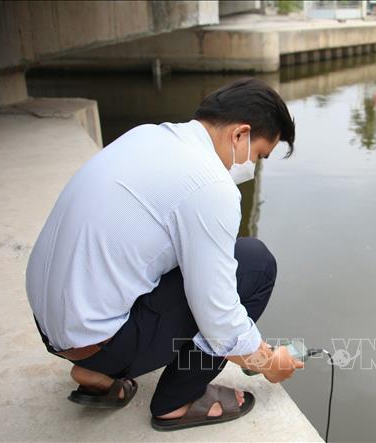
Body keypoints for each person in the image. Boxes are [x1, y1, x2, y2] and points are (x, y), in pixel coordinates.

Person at [26, 78, 303, 431]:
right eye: (260, 155)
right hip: (97, 340)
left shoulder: (147, 136)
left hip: (50, 326)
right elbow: (219, 318)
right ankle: (178, 399)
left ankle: (97, 370)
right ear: (240, 134)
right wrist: (266, 360)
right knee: (255, 263)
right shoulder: (211, 186)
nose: (254, 166)